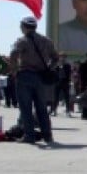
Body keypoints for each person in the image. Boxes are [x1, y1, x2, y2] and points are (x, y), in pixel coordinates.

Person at [10, 16, 59, 144]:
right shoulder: (46, 41)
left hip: (25, 75)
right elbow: (56, 58)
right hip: (41, 76)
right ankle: (47, 136)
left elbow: (13, 55)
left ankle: (29, 136)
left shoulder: (22, 41)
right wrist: (48, 68)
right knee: (42, 108)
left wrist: (14, 70)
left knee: (25, 107)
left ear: (24, 27)